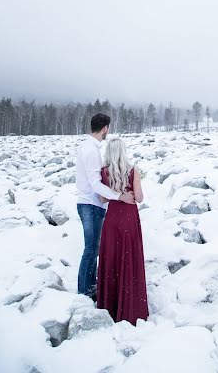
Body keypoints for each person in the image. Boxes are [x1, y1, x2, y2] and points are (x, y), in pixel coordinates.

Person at [76, 113, 135, 300]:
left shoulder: (88, 147)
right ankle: (85, 289)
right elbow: (95, 184)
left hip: (90, 203)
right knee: (91, 248)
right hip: (90, 204)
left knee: (93, 247)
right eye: (108, 128)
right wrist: (120, 196)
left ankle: (90, 285)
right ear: (105, 128)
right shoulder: (92, 151)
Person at [96, 137, 149, 325]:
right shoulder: (133, 170)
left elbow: (102, 199)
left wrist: (115, 193)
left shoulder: (104, 172)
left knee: (112, 259)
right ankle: (130, 306)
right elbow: (140, 198)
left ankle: (110, 305)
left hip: (112, 219)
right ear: (123, 151)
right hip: (128, 219)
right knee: (129, 260)